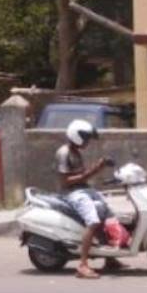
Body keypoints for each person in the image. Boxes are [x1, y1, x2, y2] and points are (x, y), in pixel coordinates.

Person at [55, 120, 115, 280]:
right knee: (93, 221)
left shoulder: (76, 152)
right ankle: (82, 265)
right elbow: (65, 181)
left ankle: (110, 258)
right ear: (77, 136)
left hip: (82, 190)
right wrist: (95, 169)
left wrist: (99, 167)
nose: (88, 142)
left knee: (107, 214)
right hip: (71, 193)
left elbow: (83, 176)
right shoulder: (64, 153)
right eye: (86, 138)